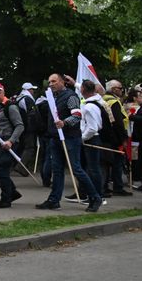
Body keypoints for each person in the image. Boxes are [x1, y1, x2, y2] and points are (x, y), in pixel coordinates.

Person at [36, 73, 102, 212]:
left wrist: (64, 122)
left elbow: (77, 115)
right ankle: (54, 200)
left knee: (76, 169)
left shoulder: (71, 96)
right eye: (49, 82)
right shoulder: (52, 97)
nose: (51, 84)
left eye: (54, 81)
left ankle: (95, 197)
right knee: (57, 170)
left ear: (62, 82)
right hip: (55, 137)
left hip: (70, 138)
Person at [0, 83, 24, 209]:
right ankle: (12, 191)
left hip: (7, 144)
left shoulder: (10, 107)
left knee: (2, 170)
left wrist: (11, 141)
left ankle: (6, 199)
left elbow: (19, 125)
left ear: (3, 93)